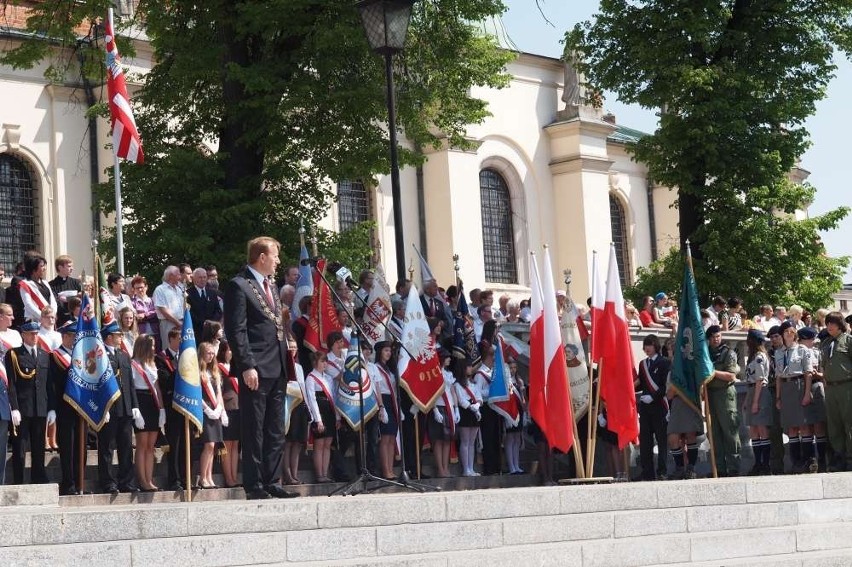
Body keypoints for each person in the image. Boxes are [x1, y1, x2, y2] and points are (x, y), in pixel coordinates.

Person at [223, 236, 295, 499]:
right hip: (255, 368)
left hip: (277, 365)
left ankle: (273, 479)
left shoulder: (272, 286)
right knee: (254, 428)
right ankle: (254, 485)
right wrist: (246, 365)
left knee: (275, 427)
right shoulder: (239, 286)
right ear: (261, 257)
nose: (278, 261)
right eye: (275, 255)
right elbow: (236, 330)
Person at [5, 320, 52, 484]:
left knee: (39, 446)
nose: (34, 336)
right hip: (23, 409)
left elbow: (48, 385)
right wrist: (14, 408)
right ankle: (18, 480)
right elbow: (11, 384)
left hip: (40, 407)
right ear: (23, 335)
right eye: (31, 334)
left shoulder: (45, 355)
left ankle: (38, 478)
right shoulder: (13, 354)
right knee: (20, 448)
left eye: (36, 333)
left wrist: (51, 408)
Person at [98, 320, 141, 493]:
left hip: (125, 407)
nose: (120, 337)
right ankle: (108, 482)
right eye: (118, 335)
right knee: (107, 447)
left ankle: (126, 481)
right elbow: (98, 383)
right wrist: (103, 407)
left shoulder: (123, 355)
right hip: (109, 408)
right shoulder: (99, 355)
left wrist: (135, 405)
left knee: (126, 446)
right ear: (109, 337)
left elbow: (129, 383)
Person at [774, 320, 815, 474]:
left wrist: (807, 393)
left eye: (792, 331)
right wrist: (778, 397)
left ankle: (808, 459)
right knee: (791, 427)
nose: (789, 334)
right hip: (785, 387)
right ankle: (796, 461)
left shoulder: (802, 350)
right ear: (782, 335)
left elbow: (808, 373)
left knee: (803, 425)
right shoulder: (778, 352)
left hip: (799, 386)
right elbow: (778, 376)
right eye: (786, 332)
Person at [130, 334, 166, 491]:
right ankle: (142, 480)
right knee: (142, 444)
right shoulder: (133, 364)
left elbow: (157, 388)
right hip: (140, 401)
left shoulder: (153, 364)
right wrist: (135, 408)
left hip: (153, 403)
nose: (153, 349)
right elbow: (131, 388)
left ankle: (149, 479)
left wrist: (162, 409)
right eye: (151, 346)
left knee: (151, 446)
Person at [706, 325, 741, 476]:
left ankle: (733, 467)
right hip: (710, 394)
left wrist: (712, 373)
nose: (716, 339)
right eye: (713, 337)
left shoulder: (728, 353)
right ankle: (719, 468)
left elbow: (731, 376)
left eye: (718, 336)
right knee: (714, 433)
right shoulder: (706, 354)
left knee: (729, 430)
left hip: (725, 394)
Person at [820, 312, 852, 471]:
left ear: (840, 324)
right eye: (827, 323)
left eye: (832, 323)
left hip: (847, 386)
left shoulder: (848, 341)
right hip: (831, 388)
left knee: (849, 423)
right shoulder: (825, 343)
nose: (829, 326)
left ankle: (850, 458)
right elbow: (824, 366)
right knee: (834, 424)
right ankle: (839, 456)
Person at [636, 334, 671, 481]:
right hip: (645, 408)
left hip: (659, 406)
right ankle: (647, 472)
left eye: (650, 345)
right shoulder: (643, 364)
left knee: (662, 440)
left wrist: (654, 396)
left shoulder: (664, 363)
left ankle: (662, 471)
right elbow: (642, 383)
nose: (647, 348)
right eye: (645, 346)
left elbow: (666, 385)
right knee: (645, 441)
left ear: (656, 346)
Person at [156, 328, 185, 490]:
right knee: (174, 445)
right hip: (171, 406)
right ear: (171, 339)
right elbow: (164, 380)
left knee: (186, 446)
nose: (182, 342)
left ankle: (185, 477)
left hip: (185, 407)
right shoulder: (162, 358)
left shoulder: (186, 357)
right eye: (179, 339)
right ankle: (174, 480)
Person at [743, 329, 772, 475]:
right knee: (753, 429)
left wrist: (755, 402)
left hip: (760, 392)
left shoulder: (760, 356)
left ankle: (765, 464)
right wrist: (748, 400)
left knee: (761, 428)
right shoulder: (752, 357)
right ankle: (758, 462)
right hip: (752, 391)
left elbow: (760, 380)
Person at [799, 326, 828, 472]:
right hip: (801, 388)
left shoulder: (817, 352)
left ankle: (822, 460)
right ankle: (810, 460)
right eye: (809, 339)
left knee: (819, 424)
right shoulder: (797, 352)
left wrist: (817, 374)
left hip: (816, 388)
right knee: (805, 426)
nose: (812, 342)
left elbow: (824, 373)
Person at [197, 341, 225, 489]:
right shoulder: (197, 371)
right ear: (202, 354)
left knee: (214, 447)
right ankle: (202, 477)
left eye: (213, 353)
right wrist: (207, 409)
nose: (211, 355)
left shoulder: (214, 371)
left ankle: (209, 476)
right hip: (205, 410)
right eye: (208, 353)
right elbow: (197, 394)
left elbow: (219, 393)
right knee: (209, 445)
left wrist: (221, 409)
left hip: (216, 410)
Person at [305, 351, 336, 482]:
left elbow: (333, 397)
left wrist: (338, 417)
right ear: (315, 362)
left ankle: (325, 473)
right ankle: (319, 475)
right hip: (319, 412)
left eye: (326, 361)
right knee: (319, 444)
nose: (325, 364)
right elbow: (312, 400)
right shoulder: (311, 378)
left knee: (327, 443)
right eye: (322, 361)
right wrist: (318, 420)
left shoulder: (328, 378)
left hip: (329, 411)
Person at [372, 340, 401, 479]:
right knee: (384, 438)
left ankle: (390, 469)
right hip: (382, 401)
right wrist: (381, 407)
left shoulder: (390, 369)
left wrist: (398, 408)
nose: (388, 353)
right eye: (385, 350)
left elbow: (394, 389)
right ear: (379, 352)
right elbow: (377, 388)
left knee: (391, 437)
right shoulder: (375, 367)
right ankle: (385, 470)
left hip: (392, 402)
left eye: (390, 351)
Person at [428, 346, 457, 478]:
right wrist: (434, 409)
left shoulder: (448, 374)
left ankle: (446, 467)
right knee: (438, 440)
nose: (449, 359)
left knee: (447, 440)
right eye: (447, 357)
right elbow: (431, 392)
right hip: (438, 406)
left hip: (449, 407)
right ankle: (440, 469)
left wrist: (456, 409)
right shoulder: (433, 373)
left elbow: (452, 391)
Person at [282, 336, 306, 486]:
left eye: (295, 347)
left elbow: (302, 387)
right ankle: (287, 474)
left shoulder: (299, 367)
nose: (293, 350)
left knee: (297, 442)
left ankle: (295, 474)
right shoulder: (283, 364)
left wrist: (307, 407)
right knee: (287, 443)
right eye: (290, 347)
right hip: (287, 404)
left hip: (299, 404)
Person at [0, 303, 19, 486]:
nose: (13, 318)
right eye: (9, 315)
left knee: (1, 449)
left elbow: (10, 379)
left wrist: (13, 407)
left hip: (3, 402)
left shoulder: (13, 336)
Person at [218, 340, 241, 488]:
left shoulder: (236, 367)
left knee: (235, 444)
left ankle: (234, 476)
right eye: (229, 350)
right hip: (227, 409)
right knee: (227, 445)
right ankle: (228, 478)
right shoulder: (218, 368)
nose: (231, 353)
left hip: (238, 408)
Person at [454, 357, 482, 477]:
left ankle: (471, 468)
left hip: (475, 412)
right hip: (465, 412)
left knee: (472, 442)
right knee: (465, 441)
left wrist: (477, 404)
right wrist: (471, 406)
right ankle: (466, 469)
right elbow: (461, 400)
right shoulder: (457, 385)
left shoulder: (473, 383)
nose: (471, 368)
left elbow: (479, 396)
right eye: (468, 366)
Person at [18, 253, 58, 326]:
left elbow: (53, 300)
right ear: (33, 269)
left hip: (49, 320)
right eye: (42, 266)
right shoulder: (25, 284)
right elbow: (28, 304)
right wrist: (43, 317)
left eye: (45, 265)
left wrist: (52, 315)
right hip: (34, 321)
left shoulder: (45, 283)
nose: (44, 268)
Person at [503, 358, 526, 475]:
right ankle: (511, 466)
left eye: (514, 368)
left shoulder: (519, 381)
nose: (513, 370)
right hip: (510, 411)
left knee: (517, 438)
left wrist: (522, 391)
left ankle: (517, 465)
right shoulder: (505, 381)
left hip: (519, 411)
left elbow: (523, 399)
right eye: (511, 368)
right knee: (510, 439)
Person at [153, 266, 184, 349]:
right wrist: (177, 322)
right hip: (168, 323)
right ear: (171, 276)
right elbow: (163, 310)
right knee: (169, 348)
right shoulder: (160, 289)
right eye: (178, 275)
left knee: (182, 348)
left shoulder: (179, 289)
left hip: (181, 322)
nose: (180, 277)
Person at [188, 267, 223, 339]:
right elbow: (189, 312)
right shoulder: (188, 294)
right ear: (194, 279)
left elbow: (218, 310)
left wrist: (211, 323)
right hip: (196, 331)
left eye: (204, 277)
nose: (202, 280)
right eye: (200, 277)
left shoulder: (212, 292)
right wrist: (203, 323)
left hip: (212, 331)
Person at [49, 255, 81, 326]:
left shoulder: (76, 282)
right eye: (69, 266)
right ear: (60, 267)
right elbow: (55, 302)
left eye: (72, 266)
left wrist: (68, 299)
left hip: (77, 320)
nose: (72, 268)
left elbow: (82, 297)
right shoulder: (51, 285)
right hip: (61, 321)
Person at [130, 276, 160, 348]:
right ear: (133, 289)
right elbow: (134, 316)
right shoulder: (131, 302)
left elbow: (158, 312)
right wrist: (151, 315)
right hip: (141, 334)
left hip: (156, 332)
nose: (140, 290)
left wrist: (145, 315)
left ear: (146, 287)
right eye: (137, 288)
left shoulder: (153, 300)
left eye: (142, 287)